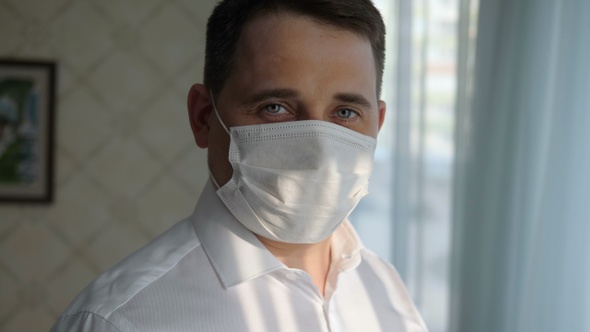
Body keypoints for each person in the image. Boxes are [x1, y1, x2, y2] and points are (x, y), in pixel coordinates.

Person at [50, 0, 428, 331]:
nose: (318, 150)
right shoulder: (117, 322)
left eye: (345, 112)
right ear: (203, 117)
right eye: (275, 108)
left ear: (377, 124)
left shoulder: (387, 291)